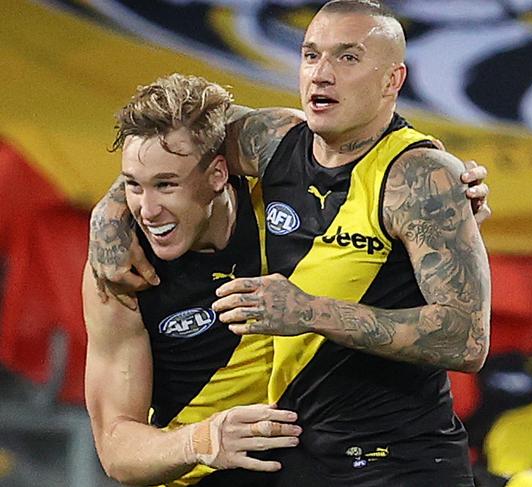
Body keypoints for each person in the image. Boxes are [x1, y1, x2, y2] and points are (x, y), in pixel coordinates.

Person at [88, 2, 491, 485]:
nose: (321, 74)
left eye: (347, 58)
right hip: (307, 463)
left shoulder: (420, 178)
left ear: (393, 80)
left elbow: (467, 339)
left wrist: (307, 312)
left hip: (404, 462)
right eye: (310, 55)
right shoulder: (273, 141)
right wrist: (108, 212)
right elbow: (175, 140)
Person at [82, 74, 302, 487]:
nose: (146, 210)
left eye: (166, 185)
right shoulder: (119, 275)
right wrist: (203, 440)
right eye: (132, 185)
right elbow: (115, 446)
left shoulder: (282, 203)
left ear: (218, 174)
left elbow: (352, 154)